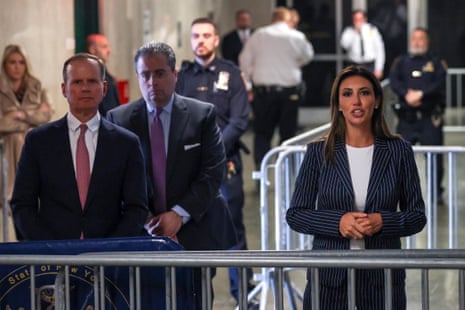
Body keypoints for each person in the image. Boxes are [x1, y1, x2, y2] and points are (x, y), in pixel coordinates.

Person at [106, 41, 236, 308]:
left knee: (196, 300)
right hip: (140, 233)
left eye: (160, 73)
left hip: (195, 229)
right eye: (145, 75)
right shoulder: (118, 119)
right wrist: (147, 220)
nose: (153, 81)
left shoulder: (202, 115)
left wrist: (178, 214)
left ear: (175, 75)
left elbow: (213, 172)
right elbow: (112, 180)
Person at [286, 66, 426, 309]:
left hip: (383, 280)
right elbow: (296, 215)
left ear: (377, 100)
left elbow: (416, 217)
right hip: (329, 279)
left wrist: (383, 222)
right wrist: (338, 222)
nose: (356, 101)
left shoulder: (399, 152)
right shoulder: (318, 152)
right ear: (338, 103)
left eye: (364, 93)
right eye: (347, 94)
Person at [10, 53, 148, 240]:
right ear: (64, 89)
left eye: (92, 81)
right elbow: (22, 204)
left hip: (109, 258)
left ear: (104, 88)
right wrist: (48, 248)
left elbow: (136, 208)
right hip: (52, 258)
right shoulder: (39, 141)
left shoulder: (127, 144)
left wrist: (111, 249)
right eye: (77, 82)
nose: (85, 88)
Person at [175, 17, 254, 305]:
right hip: (189, 170)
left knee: (232, 229)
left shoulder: (231, 74)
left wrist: (212, 147)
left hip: (225, 165)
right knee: (195, 233)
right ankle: (198, 298)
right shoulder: (181, 76)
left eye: (207, 35)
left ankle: (243, 295)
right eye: (196, 35)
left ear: (216, 40)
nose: (201, 40)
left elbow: (240, 119)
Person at [239, 6, 314, 168]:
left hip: (264, 93)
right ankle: (286, 173)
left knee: (262, 134)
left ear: (273, 19)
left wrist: (251, 80)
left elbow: (244, 60)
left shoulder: (258, 35)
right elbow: (308, 56)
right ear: (288, 20)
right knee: (288, 135)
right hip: (290, 93)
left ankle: (261, 172)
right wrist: (295, 64)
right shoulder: (296, 36)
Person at [389, 27, 447, 204]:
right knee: (399, 158)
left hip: (430, 118)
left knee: (434, 158)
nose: (417, 42)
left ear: (427, 41)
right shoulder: (401, 61)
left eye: (421, 38)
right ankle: (398, 194)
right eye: (414, 38)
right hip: (407, 119)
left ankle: (436, 193)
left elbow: (439, 82)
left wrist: (421, 94)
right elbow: (393, 80)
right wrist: (406, 93)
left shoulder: (436, 62)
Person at [0, 45, 53, 216]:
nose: (17, 67)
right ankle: (11, 194)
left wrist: (18, 115)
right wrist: (31, 117)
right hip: (6, 148)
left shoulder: (36, 86)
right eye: (12, 62)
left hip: (32, 146)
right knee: (15, 137)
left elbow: (46, 114)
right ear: (4, 64)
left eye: (21, 62)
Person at [340, 10, 385, 80]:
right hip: (354, 65)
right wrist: (355, 32)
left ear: (365, 19)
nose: (358, 21)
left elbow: (380, 49)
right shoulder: (348, 31)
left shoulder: (372, 30)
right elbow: (344, 45)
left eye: (360, 19)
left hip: (369, 65)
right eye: (356, 19)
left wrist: (379, 68)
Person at [86, 34, 120, 116]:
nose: (109, 51)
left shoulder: (104, 72)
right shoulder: (90, 76)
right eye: (104, 47)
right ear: (92, 49)